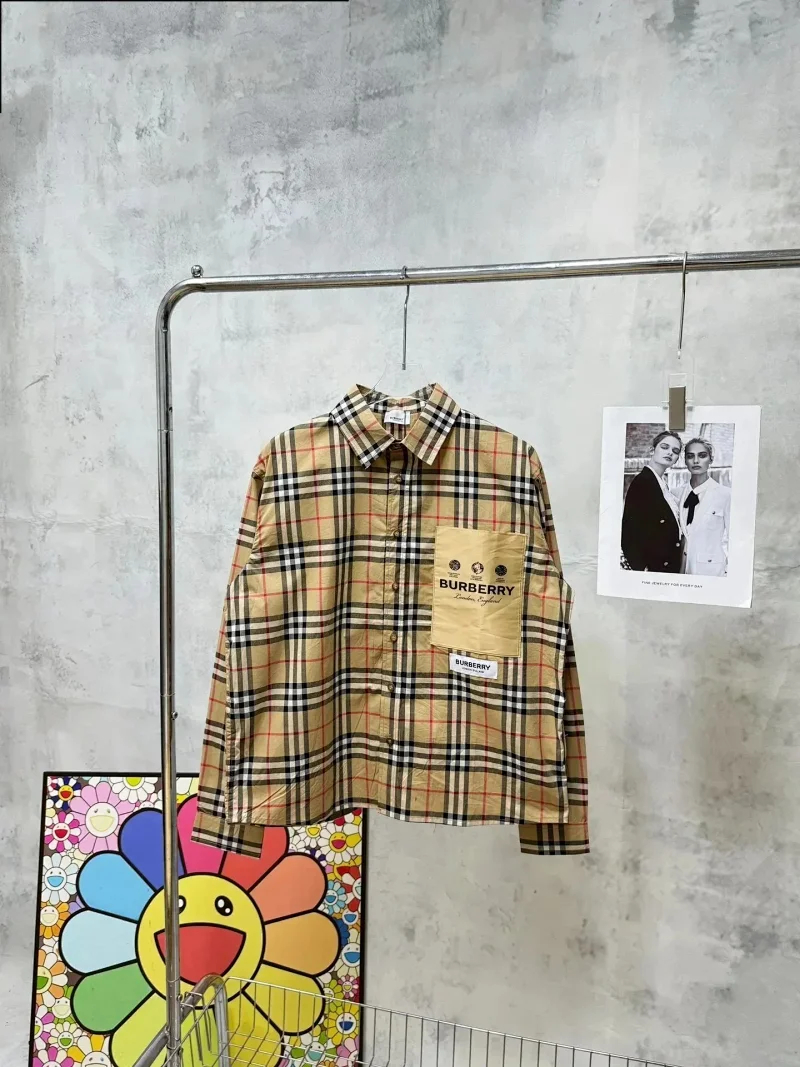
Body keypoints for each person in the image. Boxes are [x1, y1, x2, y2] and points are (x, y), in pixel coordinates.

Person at [621, 430, 683, 572]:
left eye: (675, 451)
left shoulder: (661, 484)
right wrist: (642, 570)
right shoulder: (643, 482)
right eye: (664, 447)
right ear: (652, 450)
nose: (670, 452)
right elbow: (629, 533)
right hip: (654, 569)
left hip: (667, 566)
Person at [677, 437, 731, 576]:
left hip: (712, 572)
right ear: (685, 461)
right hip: (680, 570)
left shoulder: (725, 495)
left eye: (702, 455)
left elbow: (735, 540)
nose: (696, 461)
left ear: (711, 459)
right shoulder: (675, 494)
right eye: (690, 456)